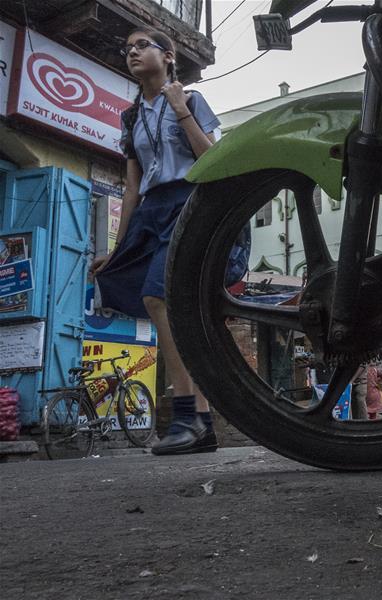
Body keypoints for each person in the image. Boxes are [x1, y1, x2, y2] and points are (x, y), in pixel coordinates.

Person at [90, 28, 226, 455]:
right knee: (164, 303)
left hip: (190, 201)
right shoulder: (130, 117)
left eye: (141, 46)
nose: (131, 53)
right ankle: (201, 422)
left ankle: (186, 416)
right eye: (126, 48)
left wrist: (180, 109)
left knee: (158, 299)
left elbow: (211, 160)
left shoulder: (193, 99)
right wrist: (118, 245)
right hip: (151, 211)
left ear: (168, 57)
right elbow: (131, 188)